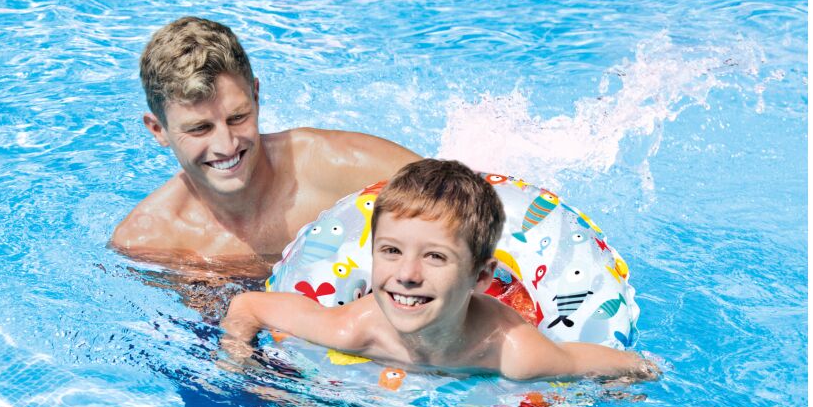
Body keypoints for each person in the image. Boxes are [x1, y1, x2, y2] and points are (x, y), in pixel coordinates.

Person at [221, 159, 661, 382]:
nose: (407, 274)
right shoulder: (352, 329)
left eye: (435, 257)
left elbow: (613, 363)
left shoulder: (513, 352)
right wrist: (240, 361)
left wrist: (638, 375)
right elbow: (249, 305)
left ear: (481, 277)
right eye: (391, 251)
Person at [110, 17, 421, 277]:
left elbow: (447, 194)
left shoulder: (334, 167)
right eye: (200, 129)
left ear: (256, 97)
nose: (226, 145)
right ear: (158, 130)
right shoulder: (147, 242)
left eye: (237, 118)